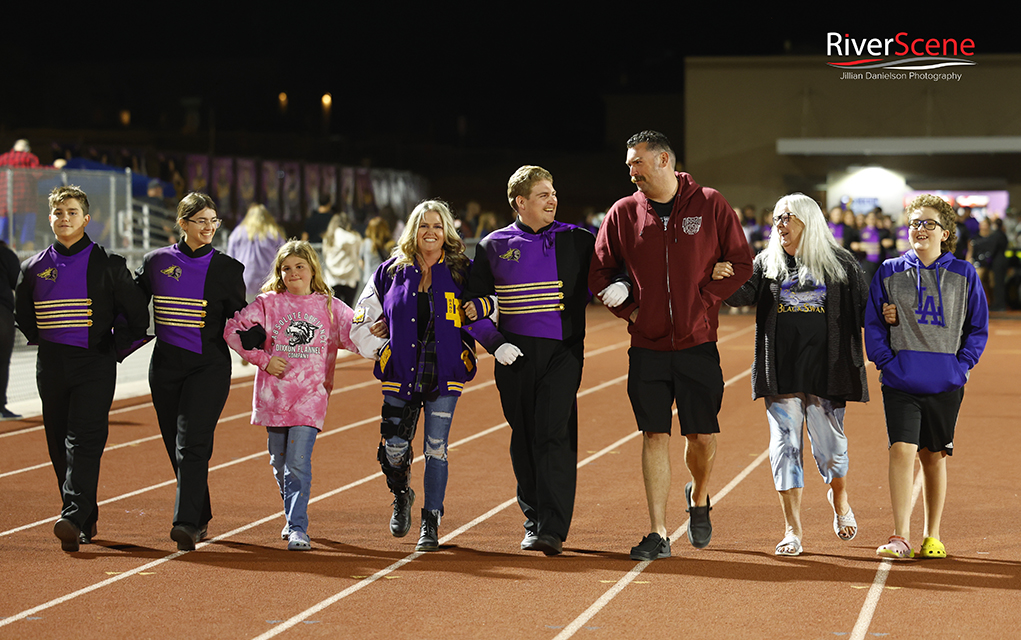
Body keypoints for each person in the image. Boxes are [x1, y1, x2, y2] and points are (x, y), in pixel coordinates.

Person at [589, 130, 753, 560]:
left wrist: (705, 302)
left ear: (663, 160)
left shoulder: (711, 203)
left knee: (700, 435)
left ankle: (698, 496)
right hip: (647, 345)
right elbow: (600, 273)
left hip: (698, 342)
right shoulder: (623, 213)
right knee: (654, 434)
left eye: (636, 163)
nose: (631, 172)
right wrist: (631, 313)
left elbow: (741, 262)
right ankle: (658, 531)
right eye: (628, 165)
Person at [459, 166, 594, 556]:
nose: (553, 200)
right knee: (525, 436)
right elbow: (470, 309)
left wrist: (619, 283)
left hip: (563, 352)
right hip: (513, 355)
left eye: (553, 193)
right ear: (521, 202)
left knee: (553, 432)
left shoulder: (579, 239)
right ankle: (533, 519)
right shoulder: (492, 245)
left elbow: (612, 269)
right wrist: (494, 343)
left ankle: (552, 527)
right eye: (543, 195)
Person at [724, 194, 868, 556]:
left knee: (831, 451)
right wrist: (722, 275)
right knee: (785, 447)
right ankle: (793, 531)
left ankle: (840, 501)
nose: (780, 223)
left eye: (787, 216)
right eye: (776, 217)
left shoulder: (842, 263)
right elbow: (742, 296)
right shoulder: (767, 261)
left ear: (808, 219)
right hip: (782, 370)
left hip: (827, 371)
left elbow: (867, 310)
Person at [15, 185, 149, 552]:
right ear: (50, 218)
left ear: (86, 219)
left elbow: (137, 314)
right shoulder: (34, 266)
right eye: (59, 213)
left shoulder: (109, 264)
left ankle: (72, 515)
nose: (65, 219)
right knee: (58, 444)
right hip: (51, 365)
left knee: (84, 442)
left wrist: (113, 348)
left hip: (95, 364)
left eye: (72, 212)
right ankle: (83, 519)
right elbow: (24, 315)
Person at [865, 194, 988, 559]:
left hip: (945, 380)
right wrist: (886, 361)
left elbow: (977, 327)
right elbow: (872, 321)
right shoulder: (888, 271)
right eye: (915, 222)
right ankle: (900, 536)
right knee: (901, 450)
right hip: (901, 380)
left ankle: (931, 535)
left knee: (933, 457)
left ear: (945, 232)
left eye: (928, 223)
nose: (920, 229)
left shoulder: (964, 274)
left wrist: (961, 365)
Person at [350, 200, 477, 551]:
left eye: (438, 226)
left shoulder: (463, 270)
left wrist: (480, 313)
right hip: (400, 371)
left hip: (444, 370)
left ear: (447, 231)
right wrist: (377, 339)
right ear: (413, 230)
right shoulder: (390, 271)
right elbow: (363, 315)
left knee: (436, 449)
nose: (431, 232)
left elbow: (486, 308)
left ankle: (430, 523)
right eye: (424, 226)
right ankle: (401, 493)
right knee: (394, 447)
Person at [225, 240, 362, 550]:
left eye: (300, 266)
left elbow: (358, 333)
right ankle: (292, 514)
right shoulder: (268, 304)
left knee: (298, 463)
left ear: (313, 268)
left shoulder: (329, 306)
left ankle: (298, 527)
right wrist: (263, 359)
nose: (293, 273)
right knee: (279, 461)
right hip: (274, 397)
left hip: (310, 398)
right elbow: (232, 330)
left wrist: (381, 330)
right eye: (286, 268)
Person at [135, 192, 246, 550]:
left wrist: (266, 340)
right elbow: (131, 304)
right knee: (174, 445)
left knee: (192, 444)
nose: (209, 227)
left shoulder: (228, 268)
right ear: (182, 224)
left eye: (214, 220)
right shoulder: (155, 262)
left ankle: (185, 523)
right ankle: (199, 515)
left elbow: (242, 317)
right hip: (165, 367)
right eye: (201, 221)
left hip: (209, 367)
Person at [226, 203, 286, 302]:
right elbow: (284, 257)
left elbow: (229, 259)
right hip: (268, 280)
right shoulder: (274, 233)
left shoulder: (238, 233)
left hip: (244, 280)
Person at [0, 139, 42, 249]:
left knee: (5, 240)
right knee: (27, 239)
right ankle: (27, 265)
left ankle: (6, 264)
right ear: (27, 148)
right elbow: (38, 174)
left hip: (5, 206)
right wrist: (55, 168)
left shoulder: (3, 158)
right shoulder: (29, 158)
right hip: (26, 205)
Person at [322, 211, 362, 307]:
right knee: (349, 309)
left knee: (335, 311)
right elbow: (358, 253)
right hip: (350, 278)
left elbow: (325, 255)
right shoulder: (354, 238)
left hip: (333, 279)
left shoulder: (328, 238)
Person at [0, 240, 21, 419]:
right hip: (2, 314)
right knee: (2, 361)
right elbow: (18, 283)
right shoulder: (6, 254)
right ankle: (0, 407)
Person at [359, 216, 395, 293]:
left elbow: (361, 262)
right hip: (384, 281)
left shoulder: (365, 243)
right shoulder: (390, 245)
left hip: (368, 279)